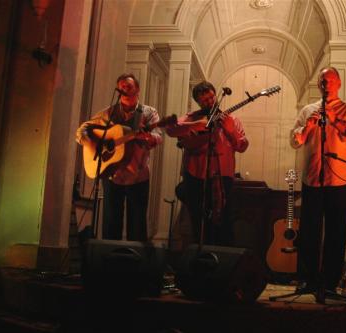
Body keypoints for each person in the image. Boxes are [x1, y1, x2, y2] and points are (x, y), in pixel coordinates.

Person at [290, 67, 346, 301]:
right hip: (313, 179)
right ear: (319, 84)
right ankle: (308, 280)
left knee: (336, 232)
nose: (327, 85)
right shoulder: (308, 110)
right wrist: (307, 128)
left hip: (340, 180)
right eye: (323, 82)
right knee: (309, 232)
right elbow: (295, 140)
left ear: (339, 83)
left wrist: (335, 121)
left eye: (331, 81)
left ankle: (330, 282)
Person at [76, 73, 163, 241]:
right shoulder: (109, 113)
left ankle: (133, 264)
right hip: (112, 174)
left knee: (137, 226)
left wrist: (148, 137)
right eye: (121, 87)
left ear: (137, 89)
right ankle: (109, 262)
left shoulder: (148, 113)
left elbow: (158, 136)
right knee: (110, 224)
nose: (124, 90)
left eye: (128, 87)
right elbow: (82, 130)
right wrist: (91, 143)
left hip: (138, 176)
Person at [166, 81, 248, 246]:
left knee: (223, 222)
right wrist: (196, 124)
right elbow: (171, 129)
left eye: (211, 97)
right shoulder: (192, 116)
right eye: (205, 100)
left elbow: (242, 146)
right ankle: (199, 259)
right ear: (198, 102)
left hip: (222, 177)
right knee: (198, 221)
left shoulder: (231, 119)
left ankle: (220, 259)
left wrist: (230, 129)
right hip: (195, 176)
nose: (210, 102)